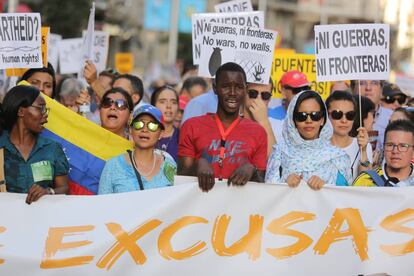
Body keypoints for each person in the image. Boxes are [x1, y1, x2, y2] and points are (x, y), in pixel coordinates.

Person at [178, 62, 268, 192]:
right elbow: (181, 177)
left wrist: (252, 170)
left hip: (238, 209)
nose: (232, 93)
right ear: (215, 88)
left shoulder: (258, 132)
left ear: (245, 89)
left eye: (238, 87)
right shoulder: (191, 126)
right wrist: (197, 164)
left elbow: (262, 188)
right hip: (199, 208)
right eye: (225, 86)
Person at [265, 90, 351, 189]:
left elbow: (344, 198)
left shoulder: (338, 157)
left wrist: (326, 187)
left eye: (315, 115)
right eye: (302, 116)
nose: (309, 121)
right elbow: (269, 194)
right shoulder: (279, 153)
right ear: (293, 120)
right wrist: (284, 182)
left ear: (323, 119)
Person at [0, 84, 69, 203]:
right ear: (21, 111)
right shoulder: (1, 147)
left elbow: (64, 188)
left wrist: (49, 192)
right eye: (40, 108)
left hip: (44, 219)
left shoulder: (52, 148)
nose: (45, 115)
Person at [98, 104, 176, 194]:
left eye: (152, 126)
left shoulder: (170, 166)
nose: (145, 129)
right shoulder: (113, 165)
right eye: (139, 124)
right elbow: (102, 205)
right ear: (131, 130)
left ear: (161, 133)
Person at [326, 91, 372, 180]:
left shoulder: (364, 145)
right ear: (327, 115)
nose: (344, 120)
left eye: (350, 115)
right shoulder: (317, 145)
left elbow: (365, 182)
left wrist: (363, 151)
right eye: (337, 114)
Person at [353, 120, 414, 187]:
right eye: (390, 145)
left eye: (403, 146)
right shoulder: (365, 180)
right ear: (383, 148)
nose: (395, 151)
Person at [352, 80, 393, 147]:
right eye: (362, 83)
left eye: (374, 83)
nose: (368, 88)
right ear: (353, 88)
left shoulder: (392, 117)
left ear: (381, 90)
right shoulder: (343, 117)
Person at [242, 80, 278, 155]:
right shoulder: (232, 122)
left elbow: (273, 161)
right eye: (253, 93)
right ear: (244, 94)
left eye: (265, 95)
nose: (258, 99)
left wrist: (264, 121)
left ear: (270, 99)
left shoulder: (279, 126)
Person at [151, 85, 180, 161]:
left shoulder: (183, 137)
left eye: (173, 102)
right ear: (153, 105)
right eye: (162, 102)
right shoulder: (143, 134)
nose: (169, 106)